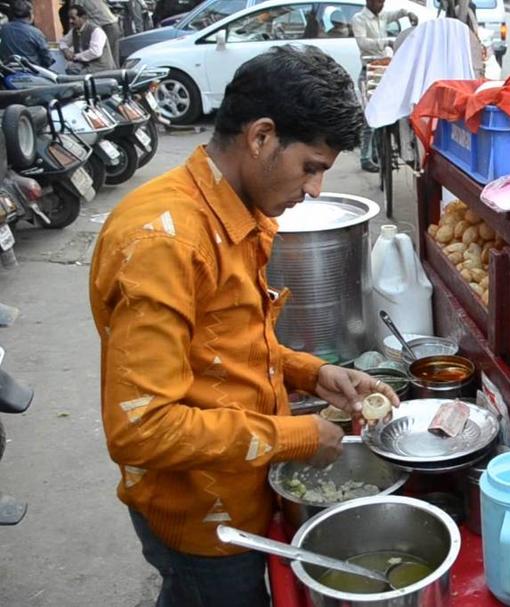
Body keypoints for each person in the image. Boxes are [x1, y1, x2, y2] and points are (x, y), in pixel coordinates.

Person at [89, 46, 394, 607]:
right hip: (204, 521)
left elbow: (222, 347)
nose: (314, 190)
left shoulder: (235, 212)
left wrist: (312, 373)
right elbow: (142, 429)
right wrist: (295, 436)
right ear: (260, 137)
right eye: (310, 168)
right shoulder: (165, 242)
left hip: (243, 487)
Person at [353, 0, 418, 173]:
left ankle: (377, 152)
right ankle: (365, 158)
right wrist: (386, 42)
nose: (380, 5)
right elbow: (363, 43)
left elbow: (396, 13)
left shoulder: (382, 15)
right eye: (377, 1)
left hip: (383, 68)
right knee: (370, 117)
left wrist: (408, 13)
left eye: (383, 1)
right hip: (369, 68)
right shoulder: (359, 19)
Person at [60, 5, 116, 74]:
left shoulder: (96, 31)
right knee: (70, 69)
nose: (70, 21)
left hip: (101, 68)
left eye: (73, 18)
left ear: (83, 18)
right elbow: (63, 42)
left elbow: (95, 52)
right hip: (87, 65)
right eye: (69, 18)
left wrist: (75, 57)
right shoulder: (74, 31)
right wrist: (66, 50)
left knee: (78, 74)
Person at [0, 0, 54, 68]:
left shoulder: (3, 30)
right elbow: (47, 59)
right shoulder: (35, 33)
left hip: (8, 71)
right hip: (32, 72)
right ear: (31, 15)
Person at [74, 0, 121, 70]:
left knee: (107, 59)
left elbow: (75, 15)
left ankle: (114, 77)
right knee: (113, 57)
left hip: (107, 26)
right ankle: (117, 76)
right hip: (113, 25)